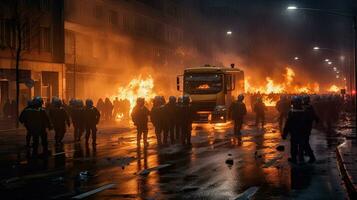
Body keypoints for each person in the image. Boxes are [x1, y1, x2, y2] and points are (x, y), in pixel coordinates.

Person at [282, 96, 306, 164]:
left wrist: (284, 134)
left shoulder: (292, 112)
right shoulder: (304, 111)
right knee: (301, 145)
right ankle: (301, 158)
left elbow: (288, 124)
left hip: (294, 133)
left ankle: (294, 159)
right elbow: (307, 123)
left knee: (294, 146)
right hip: (302, 132)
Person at [302, 95, 318, 163]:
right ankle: (303, 154)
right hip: (306, 126)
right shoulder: (310, 107)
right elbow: (315, 115)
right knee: (304, 141)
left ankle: (312, 157)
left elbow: (314, 116)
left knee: (304, 142)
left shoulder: (306, 107)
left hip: (305, 126)